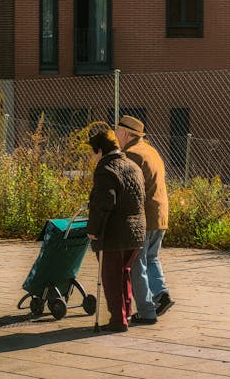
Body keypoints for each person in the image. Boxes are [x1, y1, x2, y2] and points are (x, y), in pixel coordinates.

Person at [85, 122, 146, 332]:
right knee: (124, 273)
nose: (93, 158)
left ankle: (117, 320)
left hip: (114, 233)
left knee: (111, 278)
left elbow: (103, 203)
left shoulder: (106, 169)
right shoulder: (132, 165)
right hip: (136, 231)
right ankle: (125, 313)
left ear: (100, 150)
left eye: (94, 153)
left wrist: (93, 230)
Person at [115, 115, 174, 325]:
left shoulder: (131, 154)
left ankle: (147, 312)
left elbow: (128, 189)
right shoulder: (150, 150)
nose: (115, 136)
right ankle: (161, 294)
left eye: (117, 131)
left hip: (144, 217)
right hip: (160, 214)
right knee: (152, 258)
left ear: (125, 134)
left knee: (137, 264)